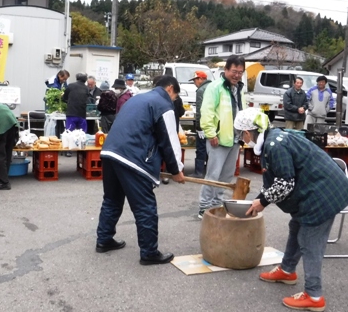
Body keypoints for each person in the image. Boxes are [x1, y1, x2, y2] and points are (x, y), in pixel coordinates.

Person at [238, 108, 348, 312]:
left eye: (241, 134)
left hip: (322, 194)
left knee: (309, 242)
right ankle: (287, 270)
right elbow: (275, 179)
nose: (242, 139)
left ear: (248, 133)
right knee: (296, 226)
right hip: (317, 189)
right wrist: (259, 199)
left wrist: (263, 202)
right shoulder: (272, 140)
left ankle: (314, 295)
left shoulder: (275, 145)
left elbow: (285, 182)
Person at [95, 75, 185, 265]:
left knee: (112, 199)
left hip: (110, 152)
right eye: (175, 96)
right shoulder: (163, 103)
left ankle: (104, 240)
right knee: (145, 206)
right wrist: (176, 170)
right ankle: (149, 252)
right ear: (170, 89)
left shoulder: (138, 98)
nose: (174, 100)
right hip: (132, 157)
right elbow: (169, 139)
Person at [197, 56, 246, 219]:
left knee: (226, 176)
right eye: (234, 71)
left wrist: (245, 129)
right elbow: (207, 111)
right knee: (213, 175)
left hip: (235, 138)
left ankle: (216, 205)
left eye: (240, 72)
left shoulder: (239, 88)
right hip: (218, 138)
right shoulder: (215, 87)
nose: (237, 75)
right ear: (226, 70)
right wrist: (211, 133)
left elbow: (242, 111)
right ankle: (204, 207)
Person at [191, 70, 211, 178]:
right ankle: (208, 171)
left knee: (201, 148)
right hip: (213, 124)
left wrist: (198, 126)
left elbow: (199, 110)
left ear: (200, 79)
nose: (194, 82)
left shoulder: (201, 90)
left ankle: (198, 172)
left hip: (203, 123)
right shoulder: (213, 87)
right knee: (210, 149)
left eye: (195, 80)